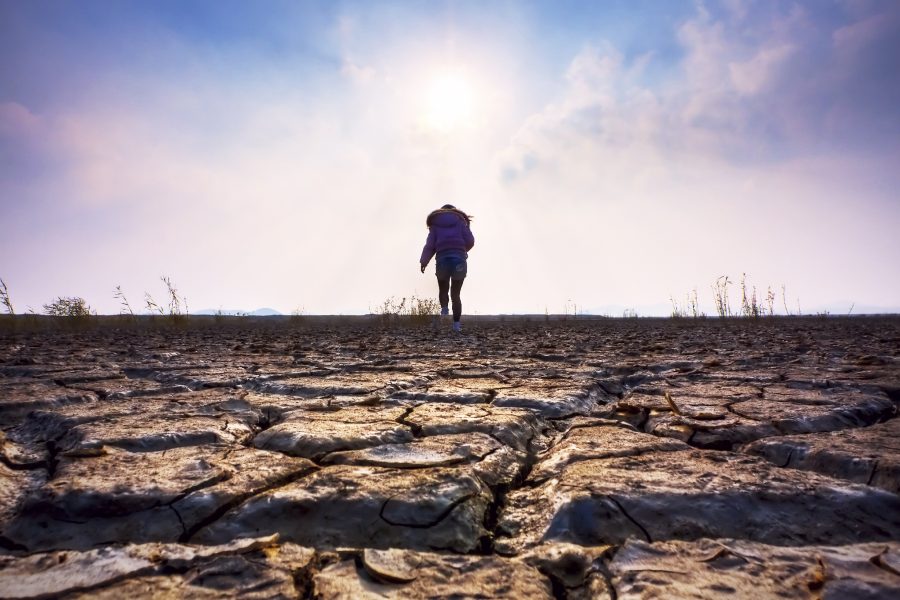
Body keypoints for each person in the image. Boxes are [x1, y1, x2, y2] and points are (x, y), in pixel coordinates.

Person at [419, 204, 474, 332]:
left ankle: (444, 311)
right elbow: (470, 241)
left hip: (442, 259)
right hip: (459, 260)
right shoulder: (460, 222)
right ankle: (456, 325)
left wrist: (424, 261)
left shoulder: (435, 225)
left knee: (443, 289)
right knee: (456, 293)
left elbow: (430, 246)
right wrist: (462, 249)